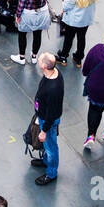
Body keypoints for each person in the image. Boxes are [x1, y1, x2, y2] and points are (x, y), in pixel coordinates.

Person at [32, 52, 63, 186]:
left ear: (44, 66)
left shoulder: (53, 89)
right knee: (48, 146)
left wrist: (44, 130)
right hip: (44, 116)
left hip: (48, 121)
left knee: (50, 147)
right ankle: (45, 161)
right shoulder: (54, 73)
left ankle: (51, 173)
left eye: (40, 59)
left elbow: (51, 113)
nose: (39, 59)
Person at [57, 0, 96, 67]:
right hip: (85, 20)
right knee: (81, 38)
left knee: (69, 38)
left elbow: (67, 5)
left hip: (73, 21)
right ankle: (78, 58)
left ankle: (63, 57)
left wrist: (63, 9)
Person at [11, 0, 50, 65]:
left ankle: (21, 57)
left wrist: (18, 16)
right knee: (38, 34)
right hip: (41, 13)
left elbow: (21, 4)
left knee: (22, 34)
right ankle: (34, 56)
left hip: (28, 15)